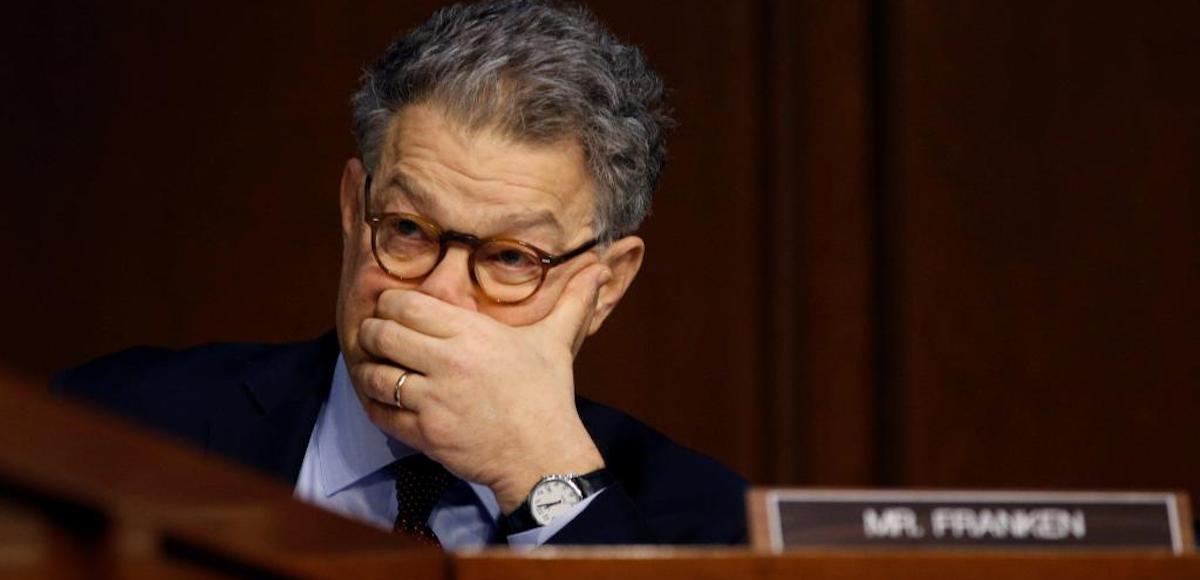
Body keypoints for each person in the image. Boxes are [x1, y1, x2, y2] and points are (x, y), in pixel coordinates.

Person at [54, 0, 745, 548]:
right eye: (408, 230)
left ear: (605, 287)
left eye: (510, 259)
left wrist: (541, 473)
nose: (439, 293)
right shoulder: (117, 425)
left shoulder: (707, 524)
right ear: (355, 211)